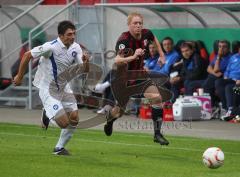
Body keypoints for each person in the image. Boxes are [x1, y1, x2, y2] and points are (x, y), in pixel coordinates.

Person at [13, 20, 89, 155]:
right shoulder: (50, 47)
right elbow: (27, 55)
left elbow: (84, 70)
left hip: (64, 87)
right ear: (60, 35)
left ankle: (59, 148)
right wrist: (19, 76)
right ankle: (47, 114)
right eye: (69, 34)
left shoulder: (75, 47)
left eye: (74, 34)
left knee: (75, 119)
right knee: (64, 123)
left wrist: (86, 62)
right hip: (48, 89)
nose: (72, 37)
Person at [95, 12, 169, 145]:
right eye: (135, 23)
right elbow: (118, 60)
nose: (138, 26)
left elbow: (154, 38)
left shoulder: (147, 34)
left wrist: (162, 55)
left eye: (140, 23)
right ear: (129, 25)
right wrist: (134, 56)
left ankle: (157, 134)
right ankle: (110, 119)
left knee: (157, 98)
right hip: (124, 79)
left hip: (140, 75)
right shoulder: (124, 40)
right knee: (120, 111)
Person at [202, 40, 231, 113]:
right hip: (216, 77)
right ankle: (211, 106)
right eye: (220, 46)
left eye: (224, 47)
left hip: (226, 78)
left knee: (210, 82)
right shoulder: (217, 56)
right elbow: (208, 68)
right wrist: (215, 73)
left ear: (228, 49)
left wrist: (218, 57)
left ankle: (213, 107)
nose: (221, 49)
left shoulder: (229, 57)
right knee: (205, 82)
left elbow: (216, 70)